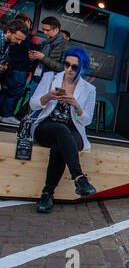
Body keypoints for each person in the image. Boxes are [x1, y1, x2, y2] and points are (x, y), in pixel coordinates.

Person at [29, 47, 96, 213]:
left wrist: (76, 106)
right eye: (67, 64)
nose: (69, 70)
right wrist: (48, 97)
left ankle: (47, 194)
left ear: (83, 68)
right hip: (47, 127)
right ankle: (79, 178)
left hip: (73, 131)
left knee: (61, 144)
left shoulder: (89, 89)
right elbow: (33, 104)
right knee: (60, 130)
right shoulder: (51, 78)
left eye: (74, 67)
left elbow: (86, 121)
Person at [0, 14, 38, 124]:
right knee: (13, 92)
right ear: (8, 32)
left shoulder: (6, 43)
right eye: (17, 38)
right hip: (19, 69)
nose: (19, 42)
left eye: (21, 40)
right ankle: (6, 114)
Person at [28, 16, 71, 98]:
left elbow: (63, 68)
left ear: (56, 30)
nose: (44, 32)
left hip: (51, 83)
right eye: (43, 29)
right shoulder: (45, 42)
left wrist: (42, 57)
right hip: (37, 79)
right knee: (33, 107)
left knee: (43, 109)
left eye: (47, 30)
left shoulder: (66, 46)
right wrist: (34, 57)